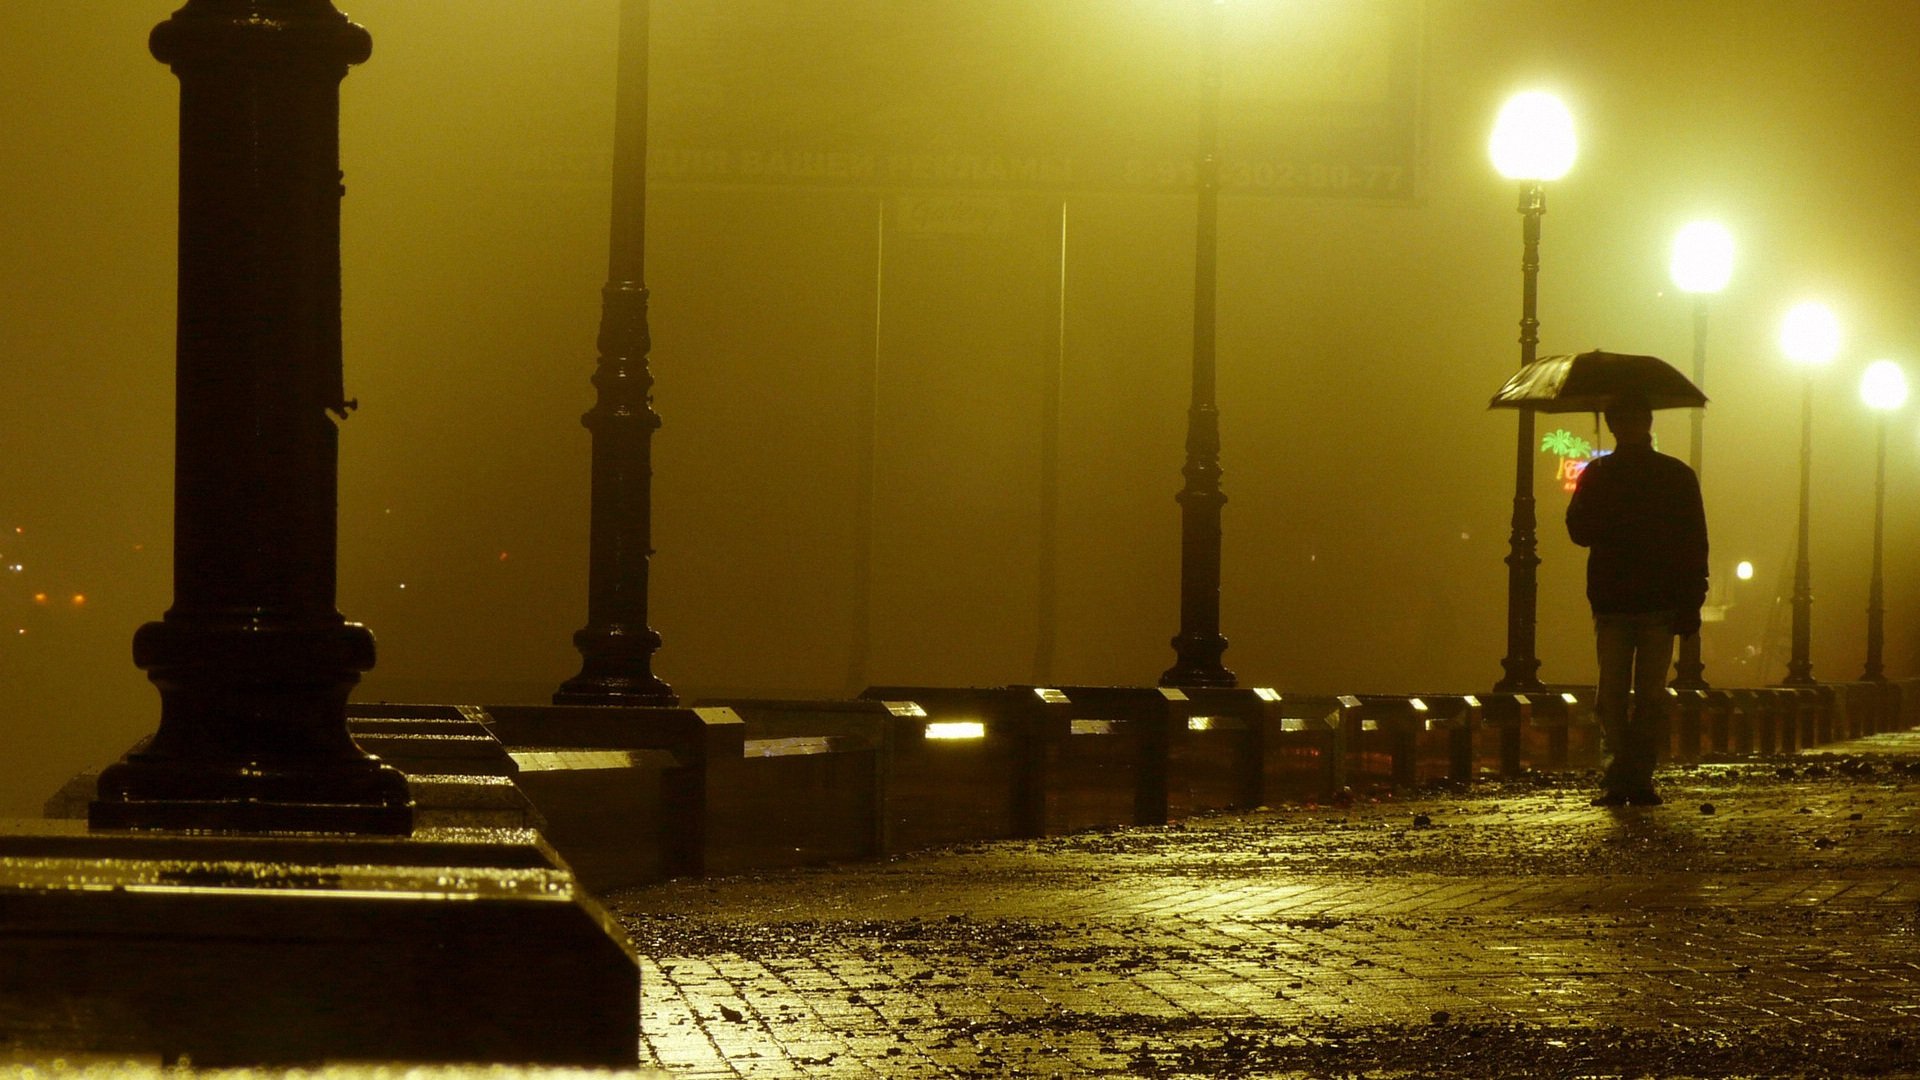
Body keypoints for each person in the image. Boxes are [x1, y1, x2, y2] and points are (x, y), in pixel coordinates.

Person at [1566, 393, 1708, 807]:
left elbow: (1579, 531)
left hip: (1615, 598)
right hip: (1656, 601)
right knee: (1648, 694)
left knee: (1613, 694)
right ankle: (1638, 777)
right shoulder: (1675, 475)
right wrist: (1692, 596)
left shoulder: (1601, 474)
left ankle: (1619, 777)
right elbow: (1694, 542)